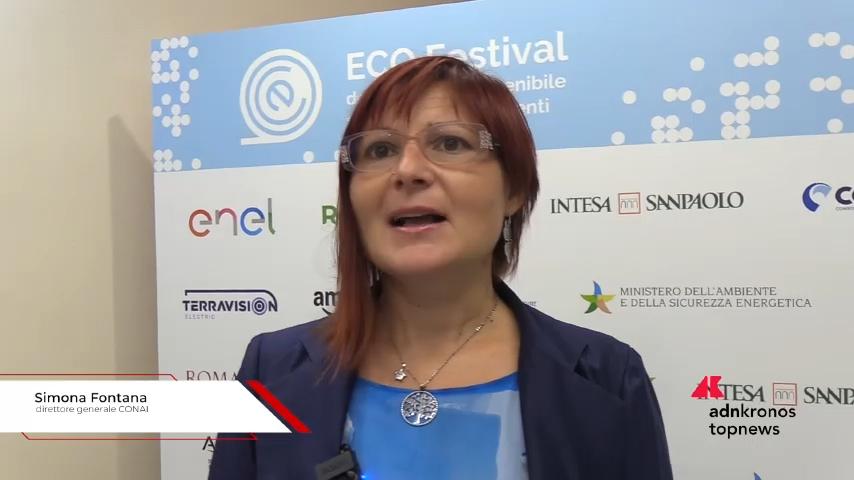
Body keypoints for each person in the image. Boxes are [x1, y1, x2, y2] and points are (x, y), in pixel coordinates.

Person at [209, 55, 672, 480]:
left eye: (450, 143)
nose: (407, 170)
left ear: (513, 189)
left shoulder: (607, 378)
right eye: (380, 150)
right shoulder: (271, 370)